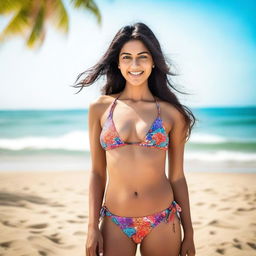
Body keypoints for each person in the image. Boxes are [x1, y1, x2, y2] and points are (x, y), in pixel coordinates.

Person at [73, 22, 197, 256]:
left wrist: (189, 231)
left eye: (142, 56)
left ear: (153, 61)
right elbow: (97, 173)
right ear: (118, 63)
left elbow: (177, 176)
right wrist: (91, 227)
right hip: (114, 222)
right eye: (127, 57)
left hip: (163, 218)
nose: (135, 65)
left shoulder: (172, 113)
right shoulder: (100, 109)